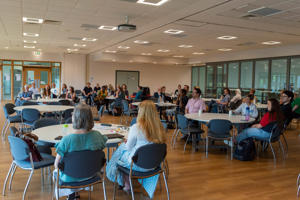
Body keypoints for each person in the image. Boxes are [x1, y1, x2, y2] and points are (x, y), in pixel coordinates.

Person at [106, 100, 166, 198]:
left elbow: (129, 147)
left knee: (120, 153)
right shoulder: (159, 127)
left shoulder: (137, 127)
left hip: (138, 165)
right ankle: (127, 183)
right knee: (125, 153)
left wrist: (128, 142)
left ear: (141, 112)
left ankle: (126, 184)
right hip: (155, 164)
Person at [54, 104, 107, 199]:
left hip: (70, 177)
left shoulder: (66, 140)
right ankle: (76, 193)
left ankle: (72, 194)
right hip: (91, 174)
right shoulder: (98, 136)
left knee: (57, 171)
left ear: (76, 118)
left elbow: (56, 164)